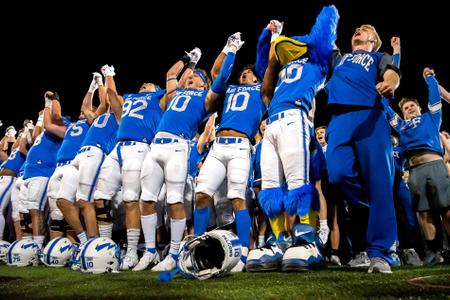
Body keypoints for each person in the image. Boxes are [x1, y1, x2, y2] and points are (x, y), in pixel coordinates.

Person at [139, 34, 243, 272]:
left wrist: (230, 50)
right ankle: (150, 252)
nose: (192, 76)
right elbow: (171, 75)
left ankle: (174, 254)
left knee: (175, 199)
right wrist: (189, 61)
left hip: (178, 146)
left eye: (197, 76)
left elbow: (222, 78)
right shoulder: (176, 94)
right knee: (146, 199)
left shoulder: (207, 98)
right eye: (193, 75)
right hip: (156, 145)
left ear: (204, 84)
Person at [248, 5, 339, 271]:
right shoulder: (282, 68)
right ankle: (278, 241)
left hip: (294, 117)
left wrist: (328, 13)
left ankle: (307, 240)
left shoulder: (319, 62)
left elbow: (324, 33)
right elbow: (264, 73)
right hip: (272, 124)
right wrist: (271, 38)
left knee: (299, 182)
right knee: (270, 188)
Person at [325, 23, 401, 273]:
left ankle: (380, 254)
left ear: (373, 39)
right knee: (337, 174)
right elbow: (324, 39)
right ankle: (375, 208)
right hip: (338, 119)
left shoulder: (378, 55)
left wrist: (390, 83)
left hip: (371, 117)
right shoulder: (340, 58)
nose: (357, 29)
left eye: (364, 29)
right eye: (356, 28)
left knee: (380, 182)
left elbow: (392, 73)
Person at [193, 31, 266, 272]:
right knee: (202, 194)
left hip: (240, 146)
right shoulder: (230, 89)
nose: (243, 75)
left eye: (248, 73)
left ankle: (243, 253)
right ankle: (199, 245)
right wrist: (228, 48)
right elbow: (216, 73)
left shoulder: (262, 91)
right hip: (218, 147)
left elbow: (270, 73)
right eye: (242, 73)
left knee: (237, 197)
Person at [92, 66, 165, 271]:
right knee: (100, 197)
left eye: (148, 84)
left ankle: (132, 251)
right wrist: (109, 76)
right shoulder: (130, 99)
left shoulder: (159, 99)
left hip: (140, 147)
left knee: (131, 198)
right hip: (117, 148)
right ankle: (106, 246)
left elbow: (173, 90)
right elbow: (112, 96)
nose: (143, 84)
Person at [386, 67, 450, 265]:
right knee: (424, 212)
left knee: (447, 209)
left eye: (413, 106)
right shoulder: (401, 126)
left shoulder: (431, 118)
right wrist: (380, 88)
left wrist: (430, 78)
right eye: (406, 108)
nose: (410, 108)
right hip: (414, 170)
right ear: (403, 114)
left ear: (420, 108)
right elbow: (386, 109)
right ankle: (433, 252)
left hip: (435, 165)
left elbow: (434, 97)